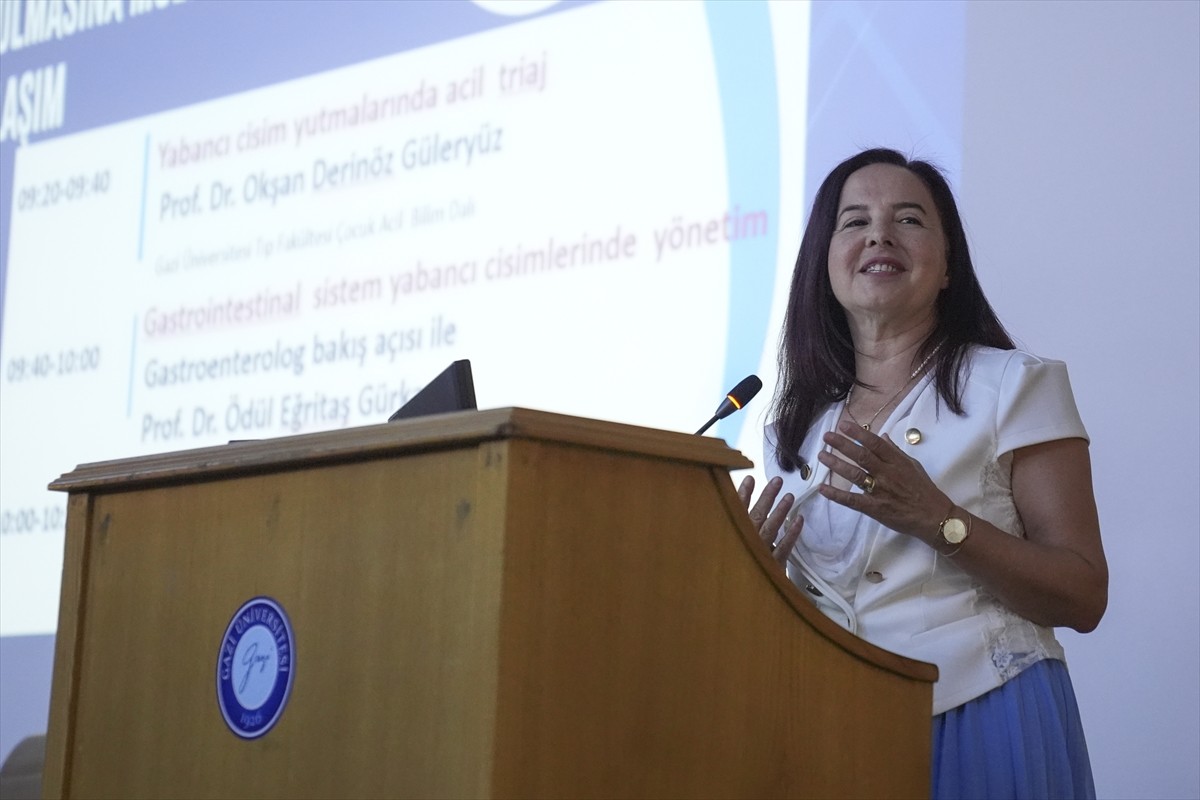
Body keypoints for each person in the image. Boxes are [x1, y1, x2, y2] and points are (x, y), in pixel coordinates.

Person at [739, 148, 1107, 799]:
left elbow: (1082, 595)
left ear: (946, 266)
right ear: (824, 264)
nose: (879, 233)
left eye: (908, 219)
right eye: (854, 222)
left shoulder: (1014, 385)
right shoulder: (790, 432)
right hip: (839, 727)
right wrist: (755, 580)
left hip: (985, 708)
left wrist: (941, 521)